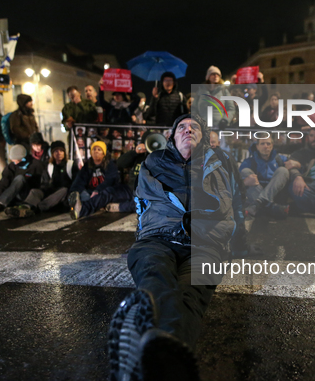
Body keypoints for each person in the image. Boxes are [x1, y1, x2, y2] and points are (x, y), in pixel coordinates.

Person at [108, 114, 242, 381]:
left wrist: (239, 242)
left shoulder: (221, 162)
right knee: (155, 274)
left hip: (205, 244)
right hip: (159, 238)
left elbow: (235, 203)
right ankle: (166, 363)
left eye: (195, 127)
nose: (188, 129)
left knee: (191, 293)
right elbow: (143, 202)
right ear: (171, 136)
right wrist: (144, 235)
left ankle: (144, 342)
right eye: (181, 126)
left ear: (203, 137)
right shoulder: (153, 162)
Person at [4, 141, 78, 218]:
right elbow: (45, 183)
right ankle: (25, 207)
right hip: (52, 190)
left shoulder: (71, 165)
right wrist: (43, 191)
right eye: (56, 151)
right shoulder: (49, 166)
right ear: (52, 153)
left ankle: (37, 208)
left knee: (64, 190)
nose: (59, 153)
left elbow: (76, 182)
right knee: (35, 191)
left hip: (64, 194)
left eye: (61, 151)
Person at [68, 140, 131, 219]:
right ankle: (78, 206)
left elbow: (109, 181)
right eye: (94, 149)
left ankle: (82, 209)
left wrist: (97, 190)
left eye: (99, 150)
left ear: (103, 153)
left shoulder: (110, 165)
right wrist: (75, 191)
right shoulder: (87, 166)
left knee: (104, 196)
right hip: (90, 193)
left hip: (104, 192)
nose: (96, 152)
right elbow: (79, 180)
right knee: (83, 195)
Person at [0, 144, 44, 215]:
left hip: (29, 194)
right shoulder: (11, 167)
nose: (14, 162)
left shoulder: (37, 165)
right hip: (15, 194)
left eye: (16, 160)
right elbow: (4, 182)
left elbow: (43, 183)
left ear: (22, 158)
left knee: (20, 178)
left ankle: (2, 204)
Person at [239, 136, 294, 218]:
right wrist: (245, 182)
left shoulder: (281, 160)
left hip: (275, 193)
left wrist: (297, 165)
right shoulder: (249, 162)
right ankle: (272, 207)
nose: (266, 146)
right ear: (257, 146)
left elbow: (299, 171)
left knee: (283, 170)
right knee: (245, 171)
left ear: (272, 146)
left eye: (268, 144)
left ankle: (259, 205)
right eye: (262, 143)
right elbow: (235, 182)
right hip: (256, 192)